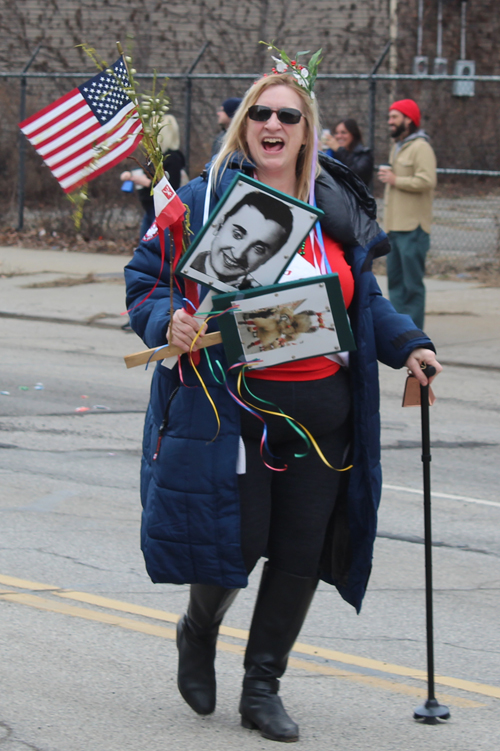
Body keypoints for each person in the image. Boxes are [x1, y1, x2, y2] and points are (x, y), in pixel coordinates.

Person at [125, 65, 442, 743]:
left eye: (288, 117)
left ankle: (263, 684)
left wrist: (409, 344)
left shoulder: (338, 203)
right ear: (246, 126)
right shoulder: (203, 198)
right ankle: (198, 628)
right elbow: (146, 280)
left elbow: (366, 302)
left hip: (326, 416)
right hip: (237, 409)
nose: (273, 126)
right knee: (234, 544)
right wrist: (168, 322)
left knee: (299, 552)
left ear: (307, 130)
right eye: (261, 115)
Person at [378, 99, 437, 330]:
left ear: (409, 119)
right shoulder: (399, 146)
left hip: (413, 228)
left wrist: (395, 180)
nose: (389, 121)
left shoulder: (421, 147)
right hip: (395, 227)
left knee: (412, 286)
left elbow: (427, 180)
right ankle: (401, 330)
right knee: (395, 284)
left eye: (394, 117)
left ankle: (414, 334)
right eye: (389, 117)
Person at [190, 191, 293, 287]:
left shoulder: (257, 297)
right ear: (219, 225)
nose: (238, 254)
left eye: (258, 249)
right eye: (237, 235)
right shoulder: (180, 269)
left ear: (271, 256)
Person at [120, 114, 188, 239]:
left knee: (151, 244)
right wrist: (132, 175)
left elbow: (171, 188)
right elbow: (148, 173)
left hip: (161, 211)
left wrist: (146, 183)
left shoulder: (173, 159)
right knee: (145, 244)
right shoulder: (156, 156)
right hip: (150, 208)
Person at [322, 119, 373, 186]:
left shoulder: (364, 154)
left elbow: (356, 175)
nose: (339, 136)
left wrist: (339, 150)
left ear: (353, 134)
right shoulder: (333, 153)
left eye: (343, 132)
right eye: (336, 133)